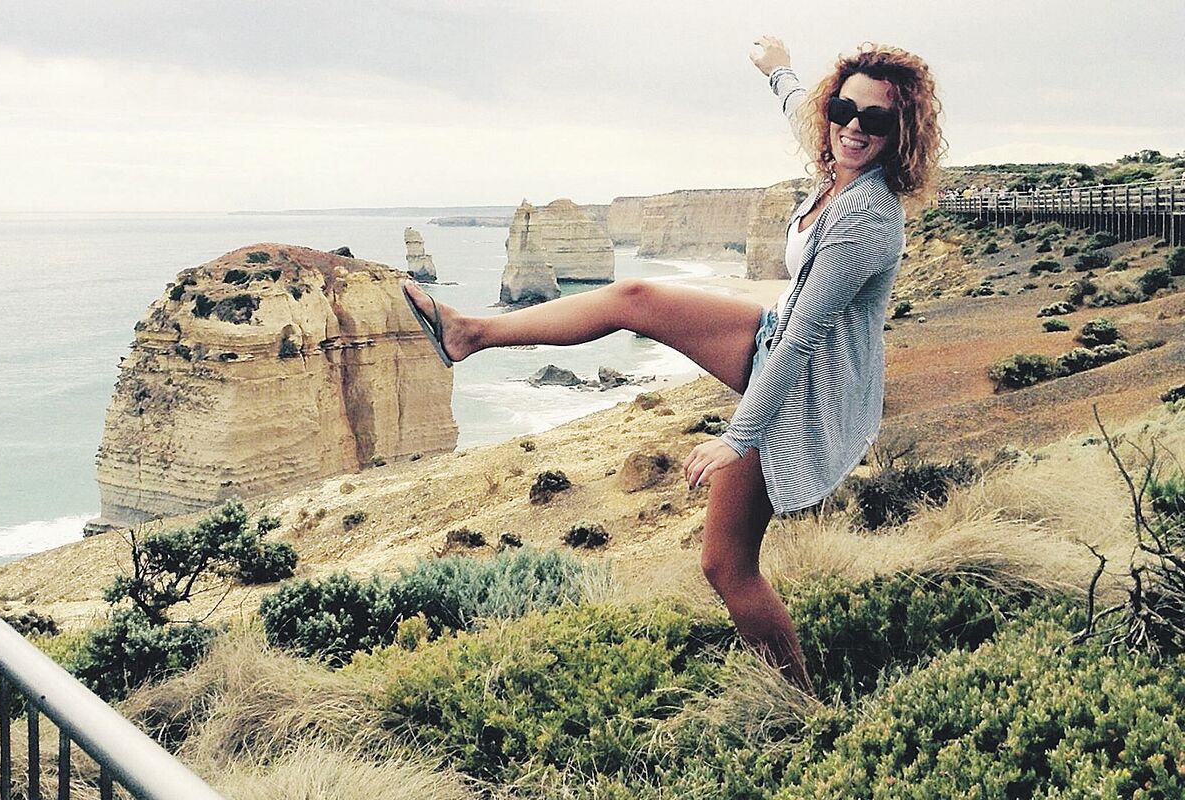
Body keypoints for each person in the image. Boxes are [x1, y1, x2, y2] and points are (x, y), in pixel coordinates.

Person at [402, 35, 945, 693]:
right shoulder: (837, 161)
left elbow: (805, 337)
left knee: (726, 565)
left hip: (808, 386)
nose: (853, 128)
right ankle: (469, 333)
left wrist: (737, 437)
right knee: (634, 296)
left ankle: (801, 706)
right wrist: (778, 70)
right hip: (777, 339)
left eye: (875, 119)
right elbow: (801, 112)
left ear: (900, 131)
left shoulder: (866, 216)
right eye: (844, 110)